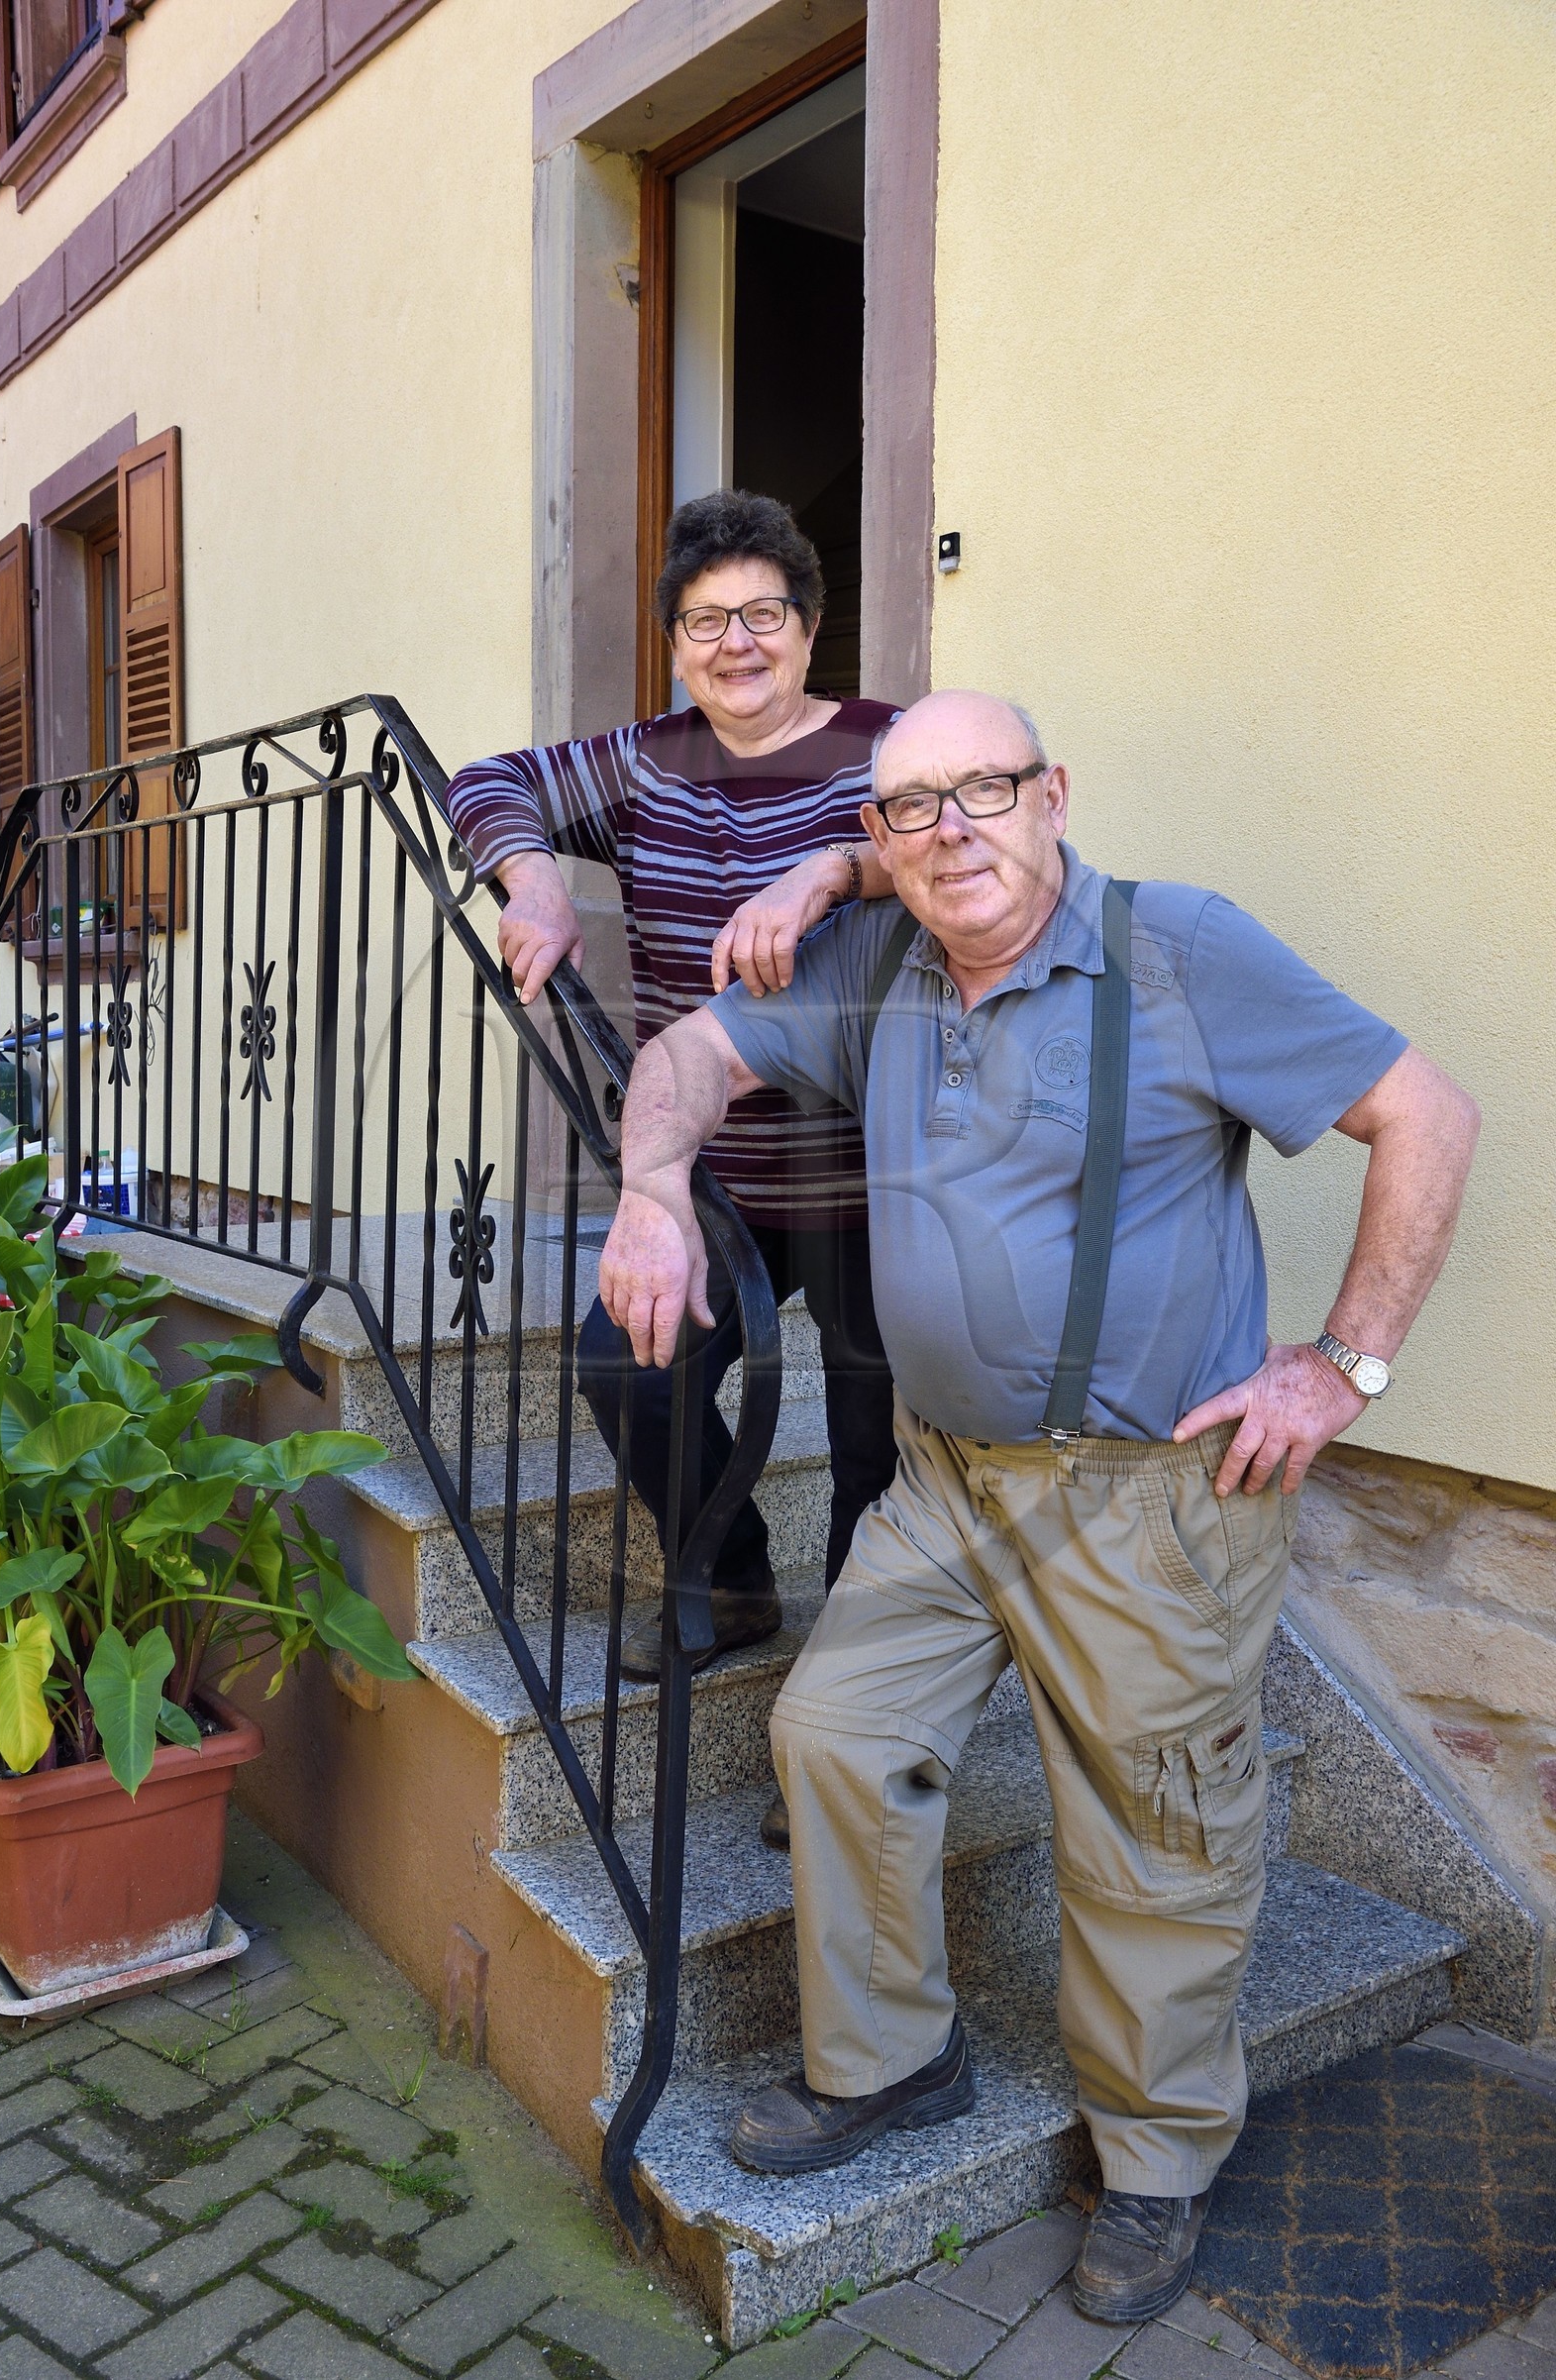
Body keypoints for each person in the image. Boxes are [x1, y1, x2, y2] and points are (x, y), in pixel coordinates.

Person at [593, 688, 1480, 2323]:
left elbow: (1425, 1113)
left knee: (1155, 1836)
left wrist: (1340, 1368)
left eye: (985, 791)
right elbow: (681, 1058)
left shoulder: (1179, 952)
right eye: (910, 809)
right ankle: (891, 2063)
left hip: (1150, 1503)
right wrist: (653, 1193)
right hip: (943, 1483)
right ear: (877, 842)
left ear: (1053, 792)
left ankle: (1156, 2164)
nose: (953, 831)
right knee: (836, 1739)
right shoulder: (876, 967)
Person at [445, 490, 901, 1847]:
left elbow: (961, 843)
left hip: (884, 1172)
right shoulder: (647, 762)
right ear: (677, 645)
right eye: (708, 622)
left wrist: (832, 868)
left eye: (764, 614)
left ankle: (854, 1710)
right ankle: (736, 1574)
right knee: (620, 1362)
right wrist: (531, 882)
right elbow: (487, 783)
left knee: (881, 1438)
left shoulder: (886, 748)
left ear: (809, 629)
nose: (739, 643)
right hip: (716, 1173)